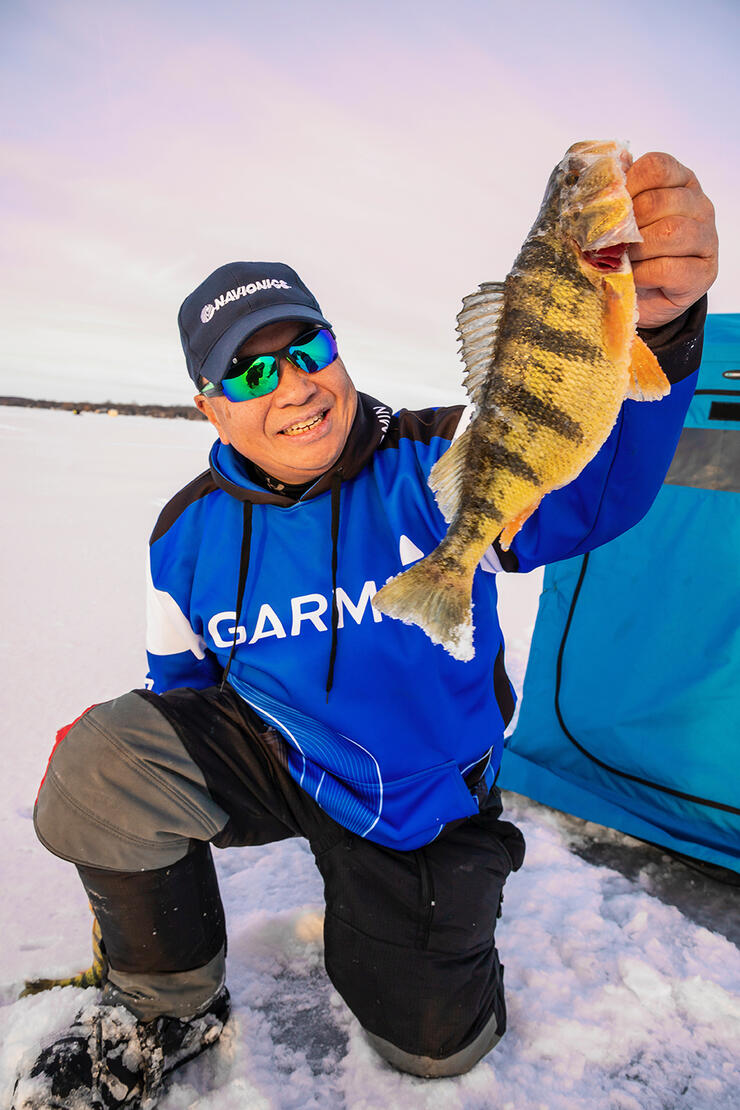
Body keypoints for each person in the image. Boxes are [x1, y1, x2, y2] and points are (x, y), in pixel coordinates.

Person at [14, 151, 718, 1109]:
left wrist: (665, 327)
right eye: (251, 369)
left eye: (309, 350)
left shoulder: (444, 455)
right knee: (102, 763)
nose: (294, 385)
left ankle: (427, 936)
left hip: (417, 797)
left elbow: (594, 502)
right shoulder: (185, 533)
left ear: (339, 354)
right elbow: (183, 690)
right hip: (284, 756)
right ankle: (169, 1006)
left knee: (436, 1048)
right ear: (208, 404)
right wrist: (116, 769)